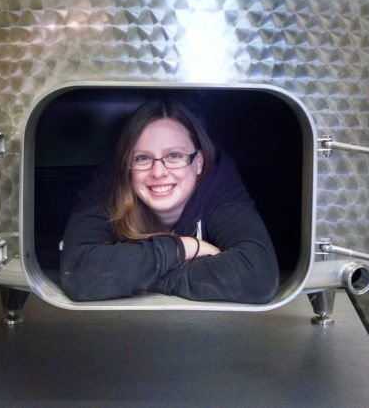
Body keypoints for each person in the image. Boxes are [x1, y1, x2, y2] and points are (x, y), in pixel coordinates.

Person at [60, 99, 279, 303]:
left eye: (174, 156)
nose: (158, 172)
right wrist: (183, 248)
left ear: (199, 162)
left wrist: (144, 279)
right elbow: (78, 274)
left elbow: (258, 276)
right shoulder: (110, 182)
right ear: (128, 165)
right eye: (142, 158)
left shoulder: (218, 180)